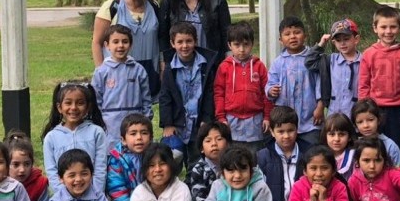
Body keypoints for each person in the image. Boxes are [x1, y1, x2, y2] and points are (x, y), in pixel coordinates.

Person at [92, 0, 161, 99]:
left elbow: (160, 41)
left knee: (143, 117)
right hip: (116, 76)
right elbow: (96, 42)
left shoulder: (154, 7)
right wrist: (102, 73)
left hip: (147, 74)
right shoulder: (111, 7)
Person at [357, 6, 400, 165]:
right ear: (375, 28)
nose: (388, 31)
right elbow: (364, 85)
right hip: (375, 110)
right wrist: (364, 112)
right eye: (383, 27)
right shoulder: (369, 54)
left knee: (399, 152)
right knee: (375, 152)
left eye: (393, 27)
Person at [159, 22, 219, 168]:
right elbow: (165, 97)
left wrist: (206, 118)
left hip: (198, 123)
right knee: (173, 163)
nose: (184, 46)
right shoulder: (169, 68)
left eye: (188, 41)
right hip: (178, 124)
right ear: (172, 43)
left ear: (195, 42)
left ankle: (195, 188)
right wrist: (167, 124)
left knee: (197, 161)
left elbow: (210, 94)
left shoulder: (206, 65)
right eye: (180, 42)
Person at [214, 21, 272, 152]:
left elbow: (266, 93)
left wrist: (267, 117)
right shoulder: (224, 67)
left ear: (252, 44)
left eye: (246, 44)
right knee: (233, 155)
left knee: (255, 156)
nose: (241, 49)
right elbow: (219, 93)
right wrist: (221, 117)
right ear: (229, 45)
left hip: (255, 120)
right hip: (231, 120)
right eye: (237, 45)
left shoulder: (259, 66)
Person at [91, 25, 152, 148]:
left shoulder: (138, 70)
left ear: (131, 44)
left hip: (136, 123)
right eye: (115, 42)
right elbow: (95, 99)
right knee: (113, 156)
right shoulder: (101, 71)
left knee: (136, 154)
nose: (120, 46)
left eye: (125, 42)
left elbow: (146, 98)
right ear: (107, 45)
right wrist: (99, 122)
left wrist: (146, 118)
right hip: (110, 125)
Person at [266, 16, 324, 145]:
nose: (292, 37)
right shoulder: (278, 62)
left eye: (297, 32)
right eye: (287, 34)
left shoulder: (313, 58)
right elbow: (270, 82)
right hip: (285, 122)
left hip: (309, 120)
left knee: (311, 153)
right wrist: (271, 90)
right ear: (281, 40)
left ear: (305, 36)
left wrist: (320, 107)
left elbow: (320, 83)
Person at [41, 82, 108, 194]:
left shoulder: (96, 133)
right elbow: (51, 171)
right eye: (68, 103)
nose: (73, 107)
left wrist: (95, 194)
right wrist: (63, 195)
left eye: (80, 103)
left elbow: (100, 169)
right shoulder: (51, 137)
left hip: (93, 196)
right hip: (63, 199)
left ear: (88, 107)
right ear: (59, 107)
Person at [256, 106, 312, 201]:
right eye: (281, 131)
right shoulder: (262, 157)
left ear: (297, 129)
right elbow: (259, 189)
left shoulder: (309, 154)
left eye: (290, 130)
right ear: (272, 132)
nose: (286, 136)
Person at [305, 18, 362, 118]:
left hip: (357, 115)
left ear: (356, 39)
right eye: (338, 40)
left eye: (346, 39)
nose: (342, 43)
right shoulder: (330, 60)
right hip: (334, 115)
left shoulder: (365, 61)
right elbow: (309, 62)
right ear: (333, 42)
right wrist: (321, 44)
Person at [106, 114, 153, 201]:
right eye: (133, 134)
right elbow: (118, 193)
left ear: (151, 138)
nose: (139, 138)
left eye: (144, 133)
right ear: (123, 140)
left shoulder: (155, 157)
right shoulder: (117, 161)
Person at [4, 130, 49, 201]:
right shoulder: (0, 183)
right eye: (16, 164)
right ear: (6, 164)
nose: (22, 170)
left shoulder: (40, 183)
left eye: (27, 164)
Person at [185, 122, 232, 201]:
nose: (214, 144)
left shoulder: (234, 165)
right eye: (208, 141)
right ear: (201, 148)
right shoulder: (198, 170)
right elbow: (199, 199)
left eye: (219, 139)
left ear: (228, 144)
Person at [351, 98, 400, 167]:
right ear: (355, 125)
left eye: (370, 120)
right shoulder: (354, 147)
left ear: (378, 120)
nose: (366, 125)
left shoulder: (390, 147)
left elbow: (398, 172)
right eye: (360, 122)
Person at [319, 113, 357, 180]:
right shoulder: (320, 156)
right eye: (332, 134)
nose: (336, 139)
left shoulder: (354, 157)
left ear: (349, 137)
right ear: (325, 136)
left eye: (341, 134)